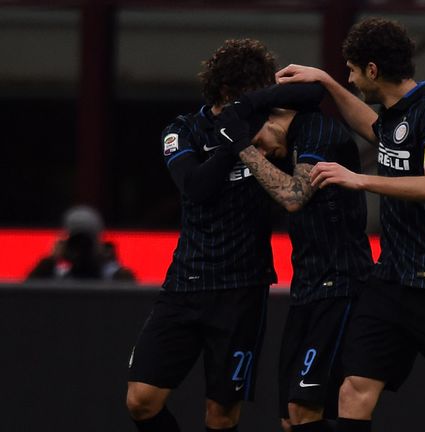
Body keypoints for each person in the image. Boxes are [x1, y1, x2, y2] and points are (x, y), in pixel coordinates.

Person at [275, 17, 425, 432]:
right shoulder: (392, 118)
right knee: (353, 390)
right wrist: (328, 83)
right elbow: (369, 126)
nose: (350, 80)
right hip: (390, 282)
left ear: (372, 70)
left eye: (351, 71)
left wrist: (361, 179)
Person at [125, 39, 280, 432]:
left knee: (221, 414)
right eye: (253, 91)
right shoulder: (183, 130)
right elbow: (195, 186)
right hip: (186, 284)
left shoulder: (272, 129)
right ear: (228, 92)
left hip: (243, 290)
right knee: (141, 401)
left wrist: (245, 134)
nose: (261, 98)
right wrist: (232, 144)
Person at [215, 99, 374, 432]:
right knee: (290, 419)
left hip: (341, 284)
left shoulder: (318, 129)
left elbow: (293, 196)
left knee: (305, 410)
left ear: (272, 119)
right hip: (306, 289)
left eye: (260, 142)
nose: (263, 151)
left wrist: (244, 146)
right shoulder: (289, 144)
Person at [27, 205, 135, 282]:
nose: (81, 248)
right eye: (76, 243)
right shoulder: (58, 275)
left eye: (86, 243)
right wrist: (51, 260)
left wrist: (111, 264)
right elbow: (27, 294)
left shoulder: (114, 277)